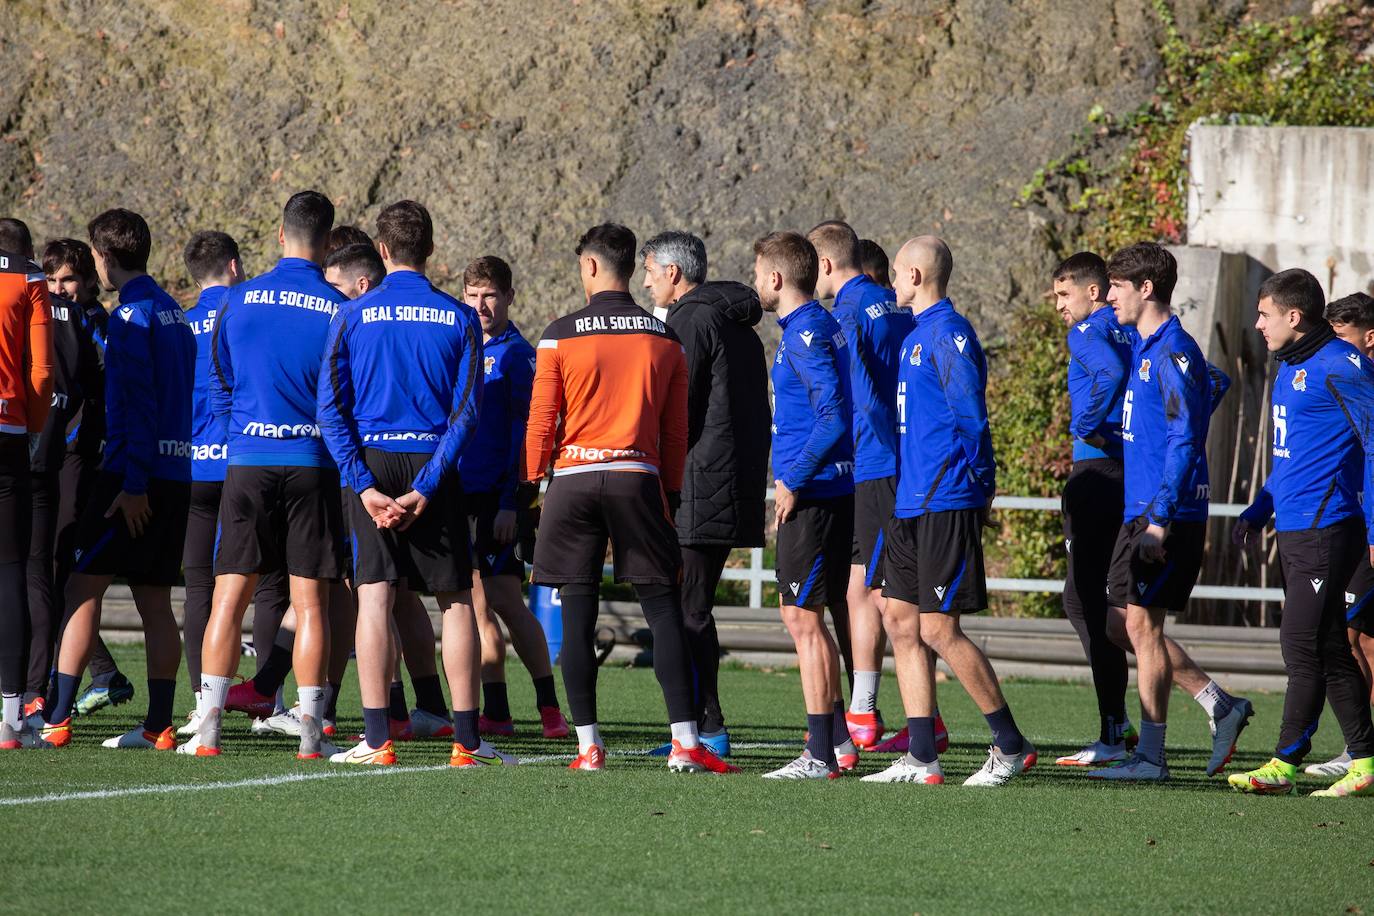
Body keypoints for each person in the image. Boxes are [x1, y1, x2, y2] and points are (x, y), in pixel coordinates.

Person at [523, 222, 735, 775]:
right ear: (627, 266)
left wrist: (531, 483)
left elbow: (542, 419)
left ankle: (589, 747)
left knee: (577, 612)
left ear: (591, 267)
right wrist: (666, 491)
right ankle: (686, 742)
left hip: (572, 479)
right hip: (637, 477)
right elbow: (675, 429)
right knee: (663, 607)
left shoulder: (558, 333)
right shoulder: (663, 336)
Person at [318, 200, 510, 767]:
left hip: (373, 465)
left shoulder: (351, 316)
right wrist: (426, 486)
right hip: (433, 463)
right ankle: (467, 742)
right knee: (455, 603)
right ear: (430, 249)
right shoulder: (457, 317)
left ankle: (377, 741)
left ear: (381, 251)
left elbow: (331, 410)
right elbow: (467, 413)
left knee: (374, 598)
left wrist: (363, 485)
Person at [861, 236, 1035, 786]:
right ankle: (921, 757)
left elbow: (972, 421)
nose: (891, 284)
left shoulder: (950, 334)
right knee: (900, 621)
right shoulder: (916, 336)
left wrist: (981, 487)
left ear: (914, 276)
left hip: (946, 499)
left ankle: (1010, 745)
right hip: (911, 502)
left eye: (895, 275)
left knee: (938, 629)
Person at [180, 191, 347, 759]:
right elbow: (342, 395)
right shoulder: (337, 306)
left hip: (248, 461)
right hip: (312, 464)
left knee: (228, 596)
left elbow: (220, 382)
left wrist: (237, 440)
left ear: (279, 235)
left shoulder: (238, 299)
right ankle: (308, 736)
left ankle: (206, 730)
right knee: (311, 605)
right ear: (326, 244)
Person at [1087, 242, 1251, 781]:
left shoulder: (1172, 351)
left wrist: (1160, 517)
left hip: (1163, 514)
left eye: (1116, 286)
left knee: (1143, 628)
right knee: (1121, 626)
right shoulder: (1148, 347)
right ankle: (1217, 704)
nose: (1109, 296)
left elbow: (1184, 434)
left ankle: (1151, 758)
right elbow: (1210, 387)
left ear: (1145, 288)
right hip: (1141, 509)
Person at [40, 208, 195, 750]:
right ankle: (158, 724)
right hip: (177, 471)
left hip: (135, 476)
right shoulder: (176, 312)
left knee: (82, 590)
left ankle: (55, 718)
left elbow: (136, 405)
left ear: (103, 258)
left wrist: (132, 484)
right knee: (155, 601)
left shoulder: (131, 317)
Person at [1228, 274, 1374, 798]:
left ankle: (1286, 758)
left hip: (1328, 527)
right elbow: (1294, 455)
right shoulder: (1289, 367)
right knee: (1330, 646)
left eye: (1264, 314)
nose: (1257, 323)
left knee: (1301, 643)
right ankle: (1364, 760)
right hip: (1293, 528)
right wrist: (1259, 507)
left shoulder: (1342, 364)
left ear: (1294, 317)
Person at [640, 230, 769, 757]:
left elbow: (679, 406)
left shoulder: (692, 319)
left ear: (674, 272)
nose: (644, 279)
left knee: (686, 609)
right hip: (724, 482)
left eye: (649, 269)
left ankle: (705, 729)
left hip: (699, 484)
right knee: (689, 605)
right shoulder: (738, 326)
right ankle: (695, 727)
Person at [753, 230, 857, 779]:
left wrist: (791, 479)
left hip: (814, 497)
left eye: (756, 274)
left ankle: (818, 753)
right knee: (807, 617)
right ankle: (837, 741)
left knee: (801, 618)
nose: (755, 286)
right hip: (825, 492)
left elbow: (833, 417)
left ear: (775, 278)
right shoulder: (813, 327)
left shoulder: (807, 334)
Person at [809, 219, 915, 750]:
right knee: (861, 590)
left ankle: (868, 715)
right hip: (895, 462)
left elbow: (855, 398)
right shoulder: (896, 305)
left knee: (886, 596)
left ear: (825, 265)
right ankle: (866, 713)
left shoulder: (847, 311)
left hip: (876, 465)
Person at [14, 231, 127, 717]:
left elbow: (92, 395)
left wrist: (72, 438)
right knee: (45, 574)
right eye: (54, 280)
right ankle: (104, 673)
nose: (61, 289)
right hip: (51, 456)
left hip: (82, 460)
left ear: (87, 283)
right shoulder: (48, 318)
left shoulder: (98, 325)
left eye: (71, 280)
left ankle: (43, 688)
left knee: (57, 570)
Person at [459, 255, 568, 740]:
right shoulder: (460, 348)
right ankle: (498, 712)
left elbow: (529, 435)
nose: (481, 305)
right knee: (478, 603)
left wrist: (511, 501)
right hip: (459, 495)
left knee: (504, 599)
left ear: (508, 298)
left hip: (497, 499)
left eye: (490, 296)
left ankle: (549, 708)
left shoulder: (518, 356)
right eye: (473, 295)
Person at [1308, 291, 1374, 778]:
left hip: (1363, 529)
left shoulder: (1359, 381)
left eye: (1341, 336)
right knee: (1360, 637)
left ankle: (1361, 751)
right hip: (1352, 525)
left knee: (1345, 636)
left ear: (1367, 338)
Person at [0, 222, 53, 749]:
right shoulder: (28, 278)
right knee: (10, 569)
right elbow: (41, 369)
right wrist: (34, 427)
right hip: (7, 430)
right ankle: (11, 718)